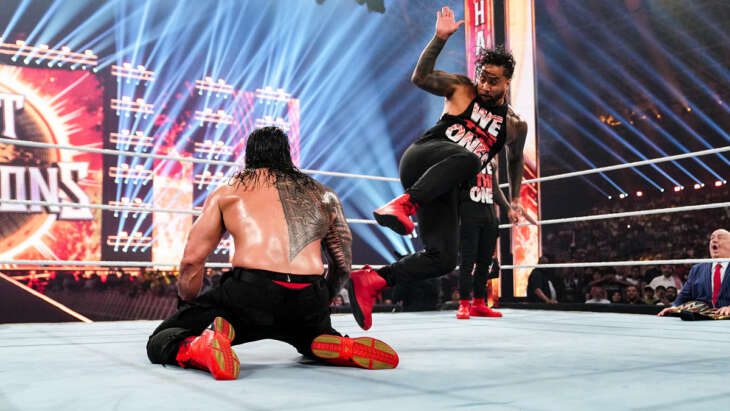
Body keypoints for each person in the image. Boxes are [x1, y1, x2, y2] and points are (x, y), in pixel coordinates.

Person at [146, 127, 399, 380]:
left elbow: (192, 260)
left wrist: (188, 304)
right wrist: (322, 304)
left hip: (251, 294)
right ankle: (325, 339)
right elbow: (342, 265)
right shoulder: (325, 194)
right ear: (287, 154)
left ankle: (205, 342)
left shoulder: (228, 191)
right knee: (310, 334)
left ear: (249, 155)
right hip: (308, 296)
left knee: (163, 338)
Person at [348, 6, 528, 330]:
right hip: (422, 158)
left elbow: (515, 161)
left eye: (493, 82)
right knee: (472, 156)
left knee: (443, 258)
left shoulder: (514, 125)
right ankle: (403, 204)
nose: (485, 86)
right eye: (483, 78)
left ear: (507, 81)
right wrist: (439, 39)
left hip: (441, 187)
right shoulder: (462, 89)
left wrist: (514, 199)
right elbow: (420, 77)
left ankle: (372, 280)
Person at [455, 159, 510, 319]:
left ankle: (479, 303)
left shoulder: (491, 161)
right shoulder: (462, 156)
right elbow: (453, 188)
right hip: (469, 215)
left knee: (485, 262)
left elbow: (494, 189)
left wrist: (508, 209)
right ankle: (464, 304)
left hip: (489, 216)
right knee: (467, 261)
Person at [659, 229, 730, 318]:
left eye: (720, 237)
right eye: (712, 238)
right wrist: (674, 307)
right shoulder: (697, 269)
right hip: (702, 318)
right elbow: (685, 294)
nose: (714, 240)